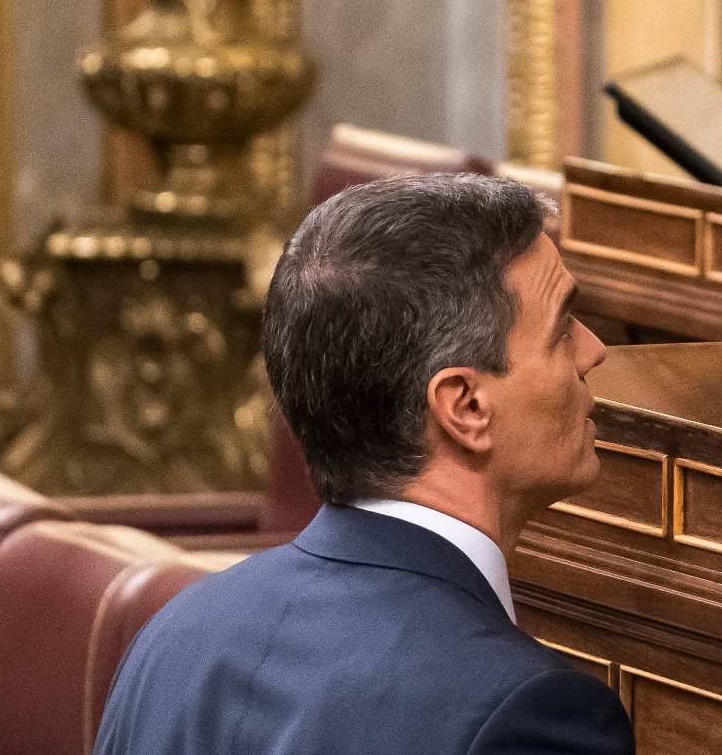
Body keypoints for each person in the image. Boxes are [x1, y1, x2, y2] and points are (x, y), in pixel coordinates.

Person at [95, 174, 634, 754]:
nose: (594, 349)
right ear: (466, 406)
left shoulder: (174, 640)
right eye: (561, 330)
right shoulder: (531, 715)